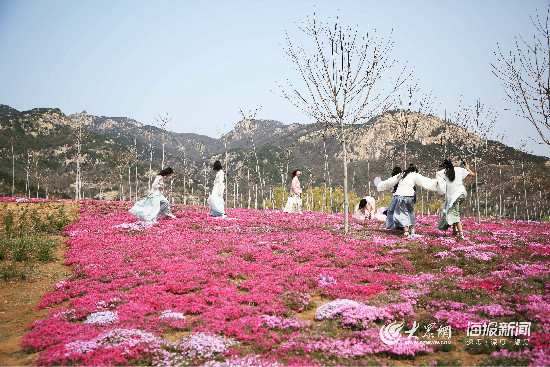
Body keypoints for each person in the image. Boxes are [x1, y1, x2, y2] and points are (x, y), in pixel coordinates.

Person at [377, 164, 439, 236]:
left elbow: (389, 181)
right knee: (410, 212)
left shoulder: (402, 174)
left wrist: (380, 186)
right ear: (414, 170)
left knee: (401, 213)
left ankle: (405, 230)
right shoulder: (414, 175)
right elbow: (424, 181)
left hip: (400, 196)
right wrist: (437, 183)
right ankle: (412, 229)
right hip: (409, 197)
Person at [436, 159, 475, 239]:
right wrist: (467, 168)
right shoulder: (459, 169)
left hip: (454, 195)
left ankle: (461, 235)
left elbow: (439, 180)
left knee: (455, 212)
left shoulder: (443, 172)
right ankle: (454, 231)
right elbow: (472, 174)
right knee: (453, 210)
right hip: (462, 192)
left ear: (444, 166)